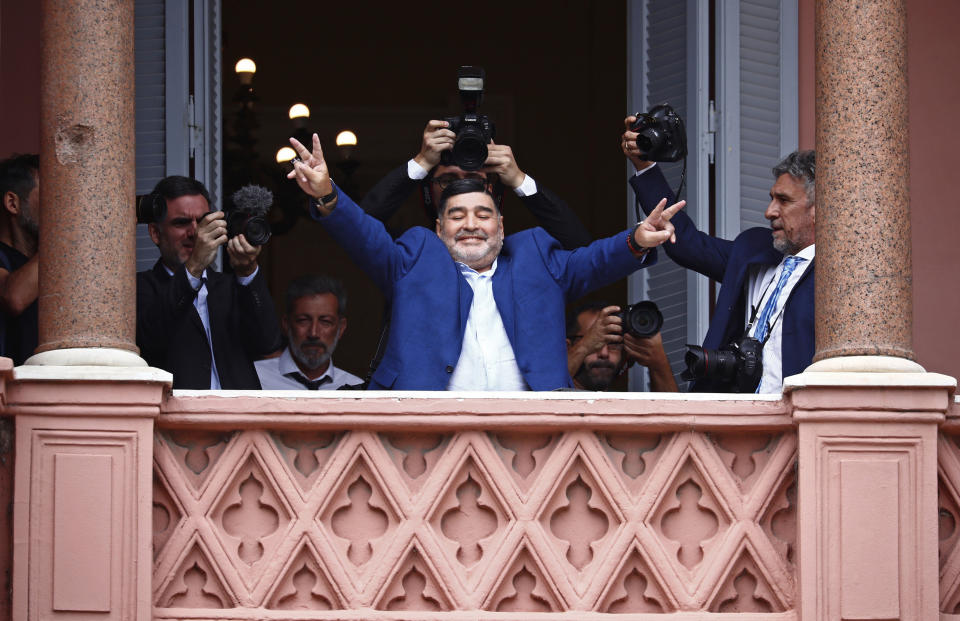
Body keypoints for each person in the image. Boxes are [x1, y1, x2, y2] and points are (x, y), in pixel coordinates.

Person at [288, 134, 684, 391]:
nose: (471, 225)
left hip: (532, 436)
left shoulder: (535, 257)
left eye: (483, 214)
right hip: (424, 434)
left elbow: (595, 260)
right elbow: (364, 236)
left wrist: (636, 240)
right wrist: (326, 192)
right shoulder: (415, 257)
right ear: (440, 228)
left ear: (501, 225)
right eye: (457, 216)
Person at [623, 116, 814, 393]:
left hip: (801, 422)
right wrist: (645, 166)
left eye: (783, 200)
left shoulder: (839, 271)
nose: (769, 211)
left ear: (818, 208)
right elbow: (686, 244)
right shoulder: (755, 249)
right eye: (771, 198)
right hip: (738, 418)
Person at [136, 175, 281, 389]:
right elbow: (151, 340)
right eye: (181, 223)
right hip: (178, 418)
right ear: (156, 233)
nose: (196, 233)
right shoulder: (140, 287)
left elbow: (267, 343)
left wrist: (247, 271)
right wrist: (194, 267)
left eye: (204, 222)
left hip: (240, 418)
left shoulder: (232, 286)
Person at [361, 120, 591, 250]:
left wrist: (519, 180)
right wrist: (421, 163)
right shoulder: (405, 252)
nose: (462, 190)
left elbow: (580, 247)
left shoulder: (517, 256)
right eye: (448, 180)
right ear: (429, 190)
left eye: (474, 180)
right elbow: (358, 227)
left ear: (491, 189)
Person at [256, 275, 362, 390]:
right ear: (286, 324)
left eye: (325, 322)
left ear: (341, 328)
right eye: (303, 321)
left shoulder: (356, 390)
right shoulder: (254, 378)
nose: (313, 333)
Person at [566, 301, 678, 392]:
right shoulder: (552, 395)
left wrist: (659, 364)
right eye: (594, 343)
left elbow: (674, 417)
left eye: (613, 343)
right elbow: (548, 396)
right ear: (568, 347)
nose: (604, 353)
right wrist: (584, 348)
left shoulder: (625, 408)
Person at [0, 154, 40, 365]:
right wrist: (63, 234)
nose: (60, 207)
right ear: (12, 203)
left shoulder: (47, 263)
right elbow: (13, 297)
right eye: (50, 195)